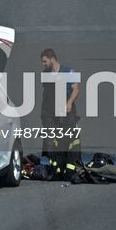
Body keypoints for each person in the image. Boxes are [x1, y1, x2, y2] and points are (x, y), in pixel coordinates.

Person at [39, 48, 83, 179]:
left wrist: (69, 103)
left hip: (66, 110)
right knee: (52, 140)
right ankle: (56, 168)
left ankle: (71, 167)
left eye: (45, 61)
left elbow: (76, 89)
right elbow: (47, 94)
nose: (43, 64)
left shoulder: (69, 71)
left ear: (52, 59)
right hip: (50, 112)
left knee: (69, 138)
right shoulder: (45, 73)